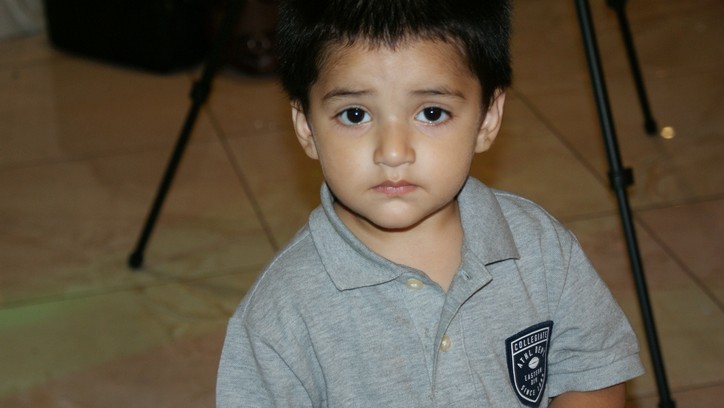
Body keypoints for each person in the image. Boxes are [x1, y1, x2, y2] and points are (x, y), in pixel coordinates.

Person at [217, 0, 645, 406]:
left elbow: (595, 373)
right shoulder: (280, 315)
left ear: (487, 119)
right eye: (355, 114)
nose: (393, 151)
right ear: (306, 127)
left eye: (432, 113)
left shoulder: (540, 246)